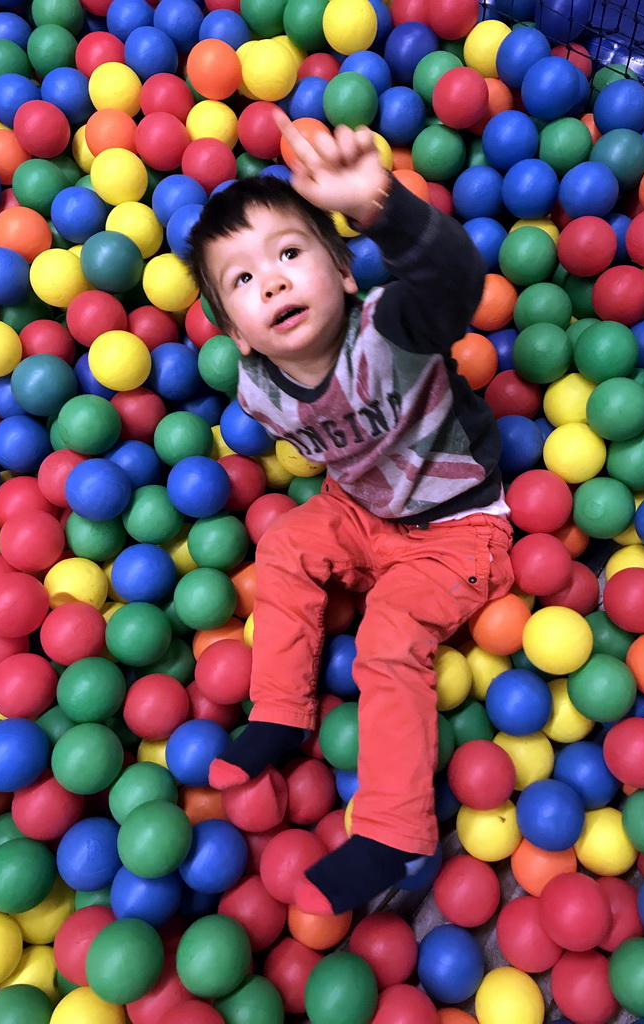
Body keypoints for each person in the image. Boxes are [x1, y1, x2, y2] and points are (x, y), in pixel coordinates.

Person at [187, 109, 514, 916]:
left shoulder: (392, 328)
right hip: (362, 508)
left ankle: (396, 829)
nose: (271, 280)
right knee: (285, 544)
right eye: (243, 280)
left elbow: (455, 283)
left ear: (342, 273)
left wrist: (380, 206)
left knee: (388, 636)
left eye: (291, 254)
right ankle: (280, 711)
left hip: (456, 525)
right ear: (239, 333)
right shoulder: (256, 387)